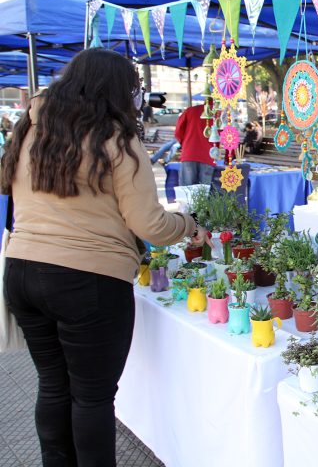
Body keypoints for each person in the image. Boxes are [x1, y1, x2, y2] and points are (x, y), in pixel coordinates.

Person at [0, 48, 211, 467]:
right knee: (92, 396)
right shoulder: (114, 136)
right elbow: (149, 225)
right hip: (87, 280)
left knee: (54, 385)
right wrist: (189, 225)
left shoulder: (31, 127)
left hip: (22, 270)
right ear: (115, 90)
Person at [175, 101, 215, 185]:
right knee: (204, 192)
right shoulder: (217, 115)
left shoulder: (191, 111)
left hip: (189, 153)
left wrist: (185, 143)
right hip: (208, 155)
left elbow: (178, 130)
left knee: (186, 191)